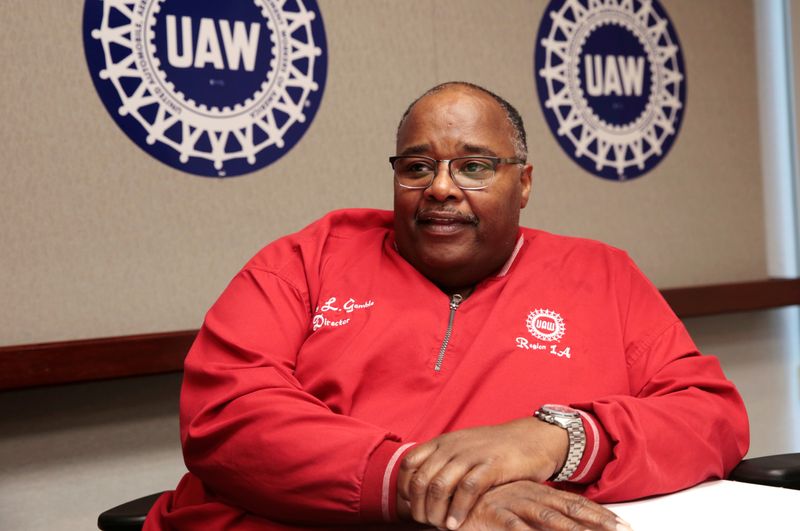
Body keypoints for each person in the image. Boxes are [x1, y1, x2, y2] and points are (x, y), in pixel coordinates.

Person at [145, 82, 749, 531]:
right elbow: (227, 414)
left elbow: (710, 417)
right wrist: (432, 487)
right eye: (417, 167)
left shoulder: (602, 274)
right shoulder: (307, 260)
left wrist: (558, 441)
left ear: (525, 184)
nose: (439, 187)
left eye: (474, 166)